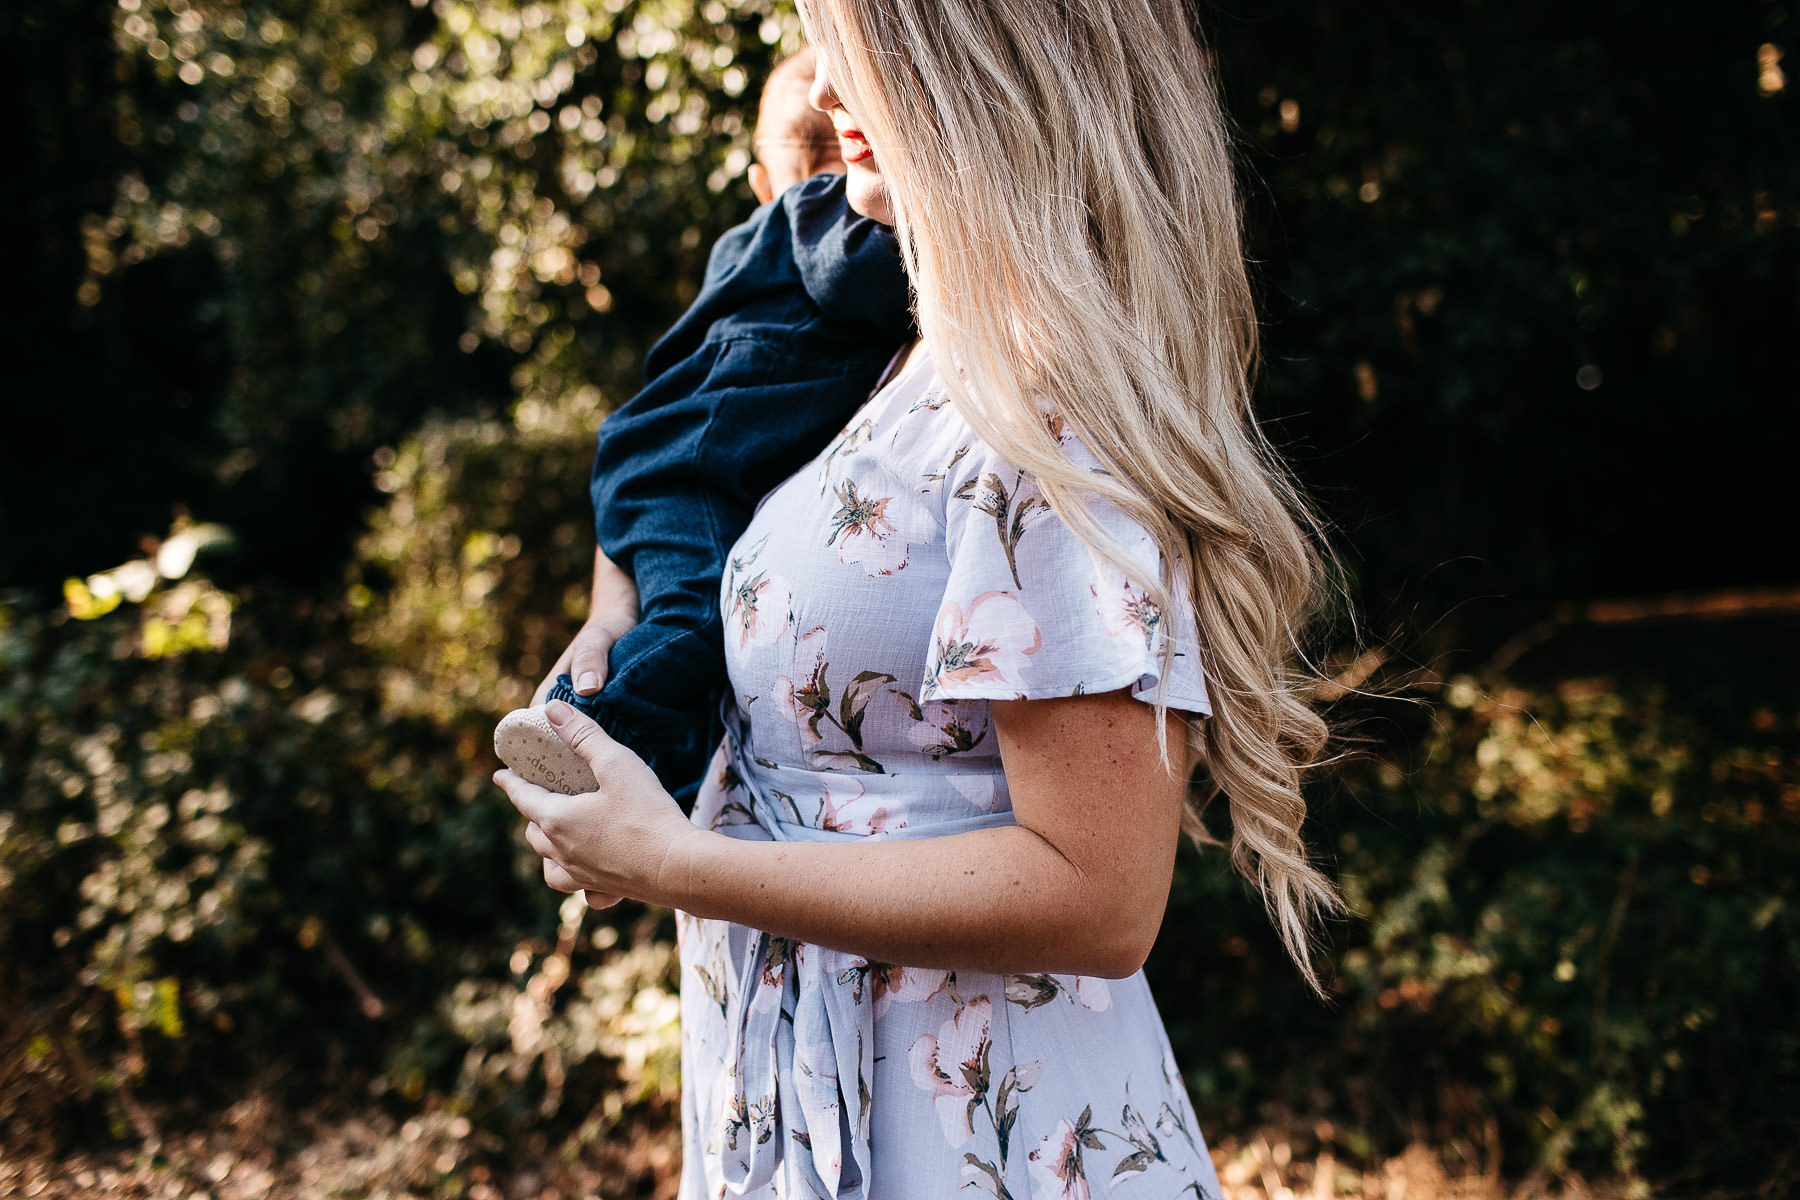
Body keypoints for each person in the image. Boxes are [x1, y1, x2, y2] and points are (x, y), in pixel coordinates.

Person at [497, 2, 1343, 1196]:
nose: (826, 90)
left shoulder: (1047, 407)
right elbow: (681, 456)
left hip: (976, 1130)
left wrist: (673, 862)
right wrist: (614, 608)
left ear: (981, 69)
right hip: (794, 1090)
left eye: (861, 51)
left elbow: (1098, 895)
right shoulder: (887, 352)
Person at [534, 48, 913, 809]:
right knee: (698, 620)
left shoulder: (737, 249)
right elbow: (859, 276)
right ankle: (585, 729)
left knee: (695, 623)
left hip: (652, 458)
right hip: (691, 472)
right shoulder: (821, 217)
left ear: (758, 177)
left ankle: (660, 789)